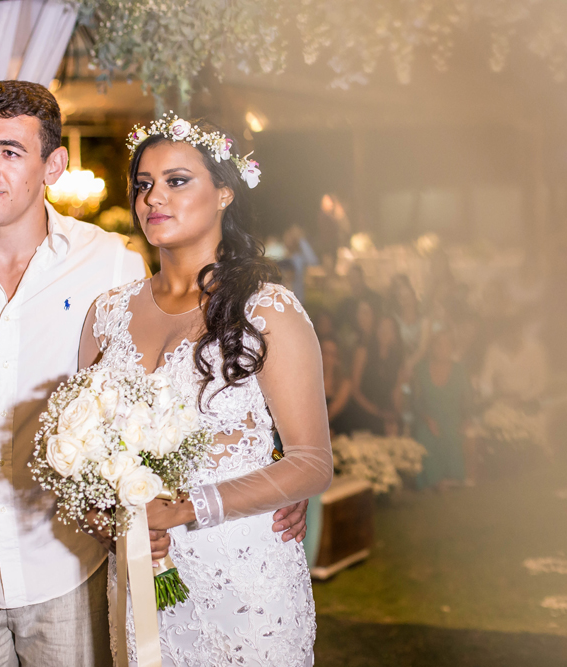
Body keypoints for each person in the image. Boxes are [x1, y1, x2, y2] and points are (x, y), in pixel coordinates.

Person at [0, 81, 307, 667]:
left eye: (10, 151)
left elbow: (168, 395)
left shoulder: (112, 264)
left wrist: (275, 477)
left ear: (54, 164)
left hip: (75, 567)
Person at [79, 116, 333, 666]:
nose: (153, 198)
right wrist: (109, 521)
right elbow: (86, 460)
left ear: (223, 193)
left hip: (243, 579)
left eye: (176, 181)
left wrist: (184, 509)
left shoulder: (267, 311)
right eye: (143, 184)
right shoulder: (106, 315)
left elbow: (312, 462)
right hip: (143, 574)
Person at [412, 330, 472, 490]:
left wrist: (466, 420)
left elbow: (467, 400)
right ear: (432, 347)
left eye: (447, 344)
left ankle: (453, 478)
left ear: (452, 348)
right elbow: (416, 402)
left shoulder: (460, 370)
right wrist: (427, 419)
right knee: (426, 434)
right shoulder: (421, 369)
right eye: (438, 344)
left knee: (453, 434)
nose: (442, 348)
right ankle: (434, 480)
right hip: (429, 417)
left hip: (453, 417)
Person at [345, 315, 404, 435]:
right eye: (382, 327)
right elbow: (354, 389)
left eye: (389, 328)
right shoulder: (363, 351)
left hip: (385, 409)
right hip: (362, 407)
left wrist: (395, 415)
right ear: (376, 330)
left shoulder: (397, 359)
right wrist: (376, 412)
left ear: (395, 334)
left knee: (398, 427)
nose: (385, 332)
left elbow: (396, 391)